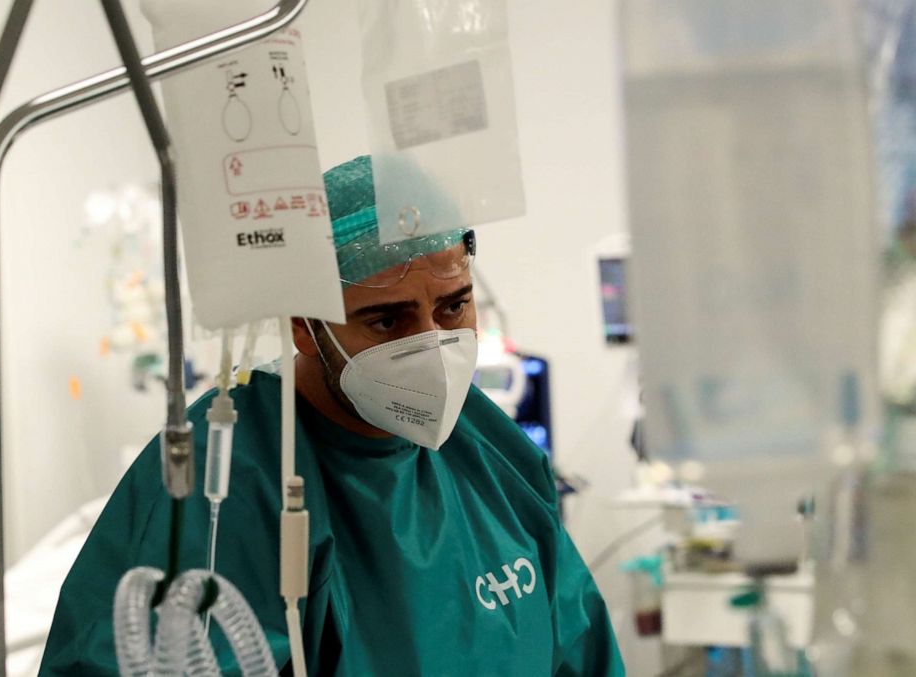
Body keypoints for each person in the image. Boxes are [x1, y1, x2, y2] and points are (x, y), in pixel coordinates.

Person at [41, 156, 624, 676]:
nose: (432, 346)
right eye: (388, 321)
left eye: (453, 306)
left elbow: (581, 645)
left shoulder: (490, 447)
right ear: (304, 323)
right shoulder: (229, 479)